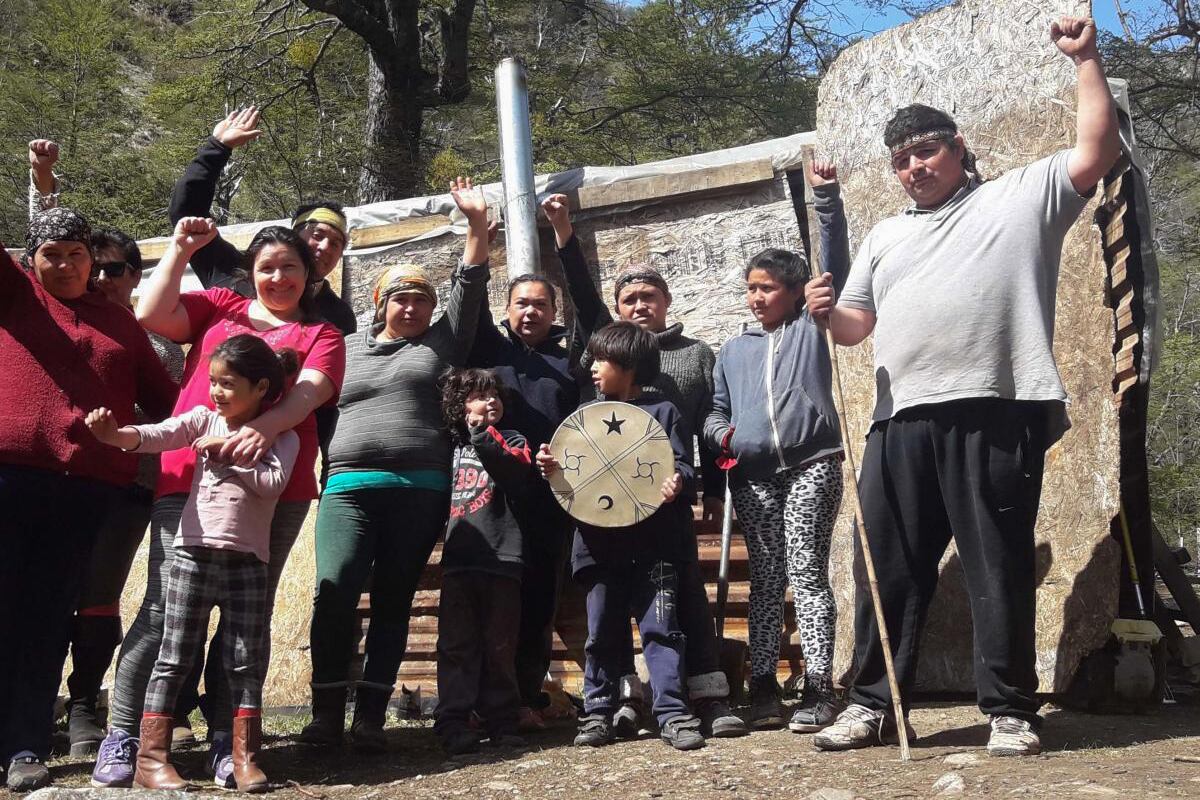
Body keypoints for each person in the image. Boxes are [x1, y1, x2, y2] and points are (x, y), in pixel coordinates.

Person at [804, 17, 1120, 756]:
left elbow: (1096, 149)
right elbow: (854, 327)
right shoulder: (884, 237)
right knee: (885, 569)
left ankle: (1009, 710)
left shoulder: (1022, 196)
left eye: (926, 151)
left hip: (994, 408)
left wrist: (1086, 59)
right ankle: (873, 704)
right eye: (901, 159)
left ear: (958, 147)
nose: (914, 166)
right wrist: (825, 312)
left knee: (997, 564)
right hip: (899, 420)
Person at [94, 219, 345, 788]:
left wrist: (260, 432)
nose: (278, 278)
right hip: (188, 477)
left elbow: (310, 393)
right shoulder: (220, 306)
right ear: (249, 273)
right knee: (163, 611)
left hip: (273, 490)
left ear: (308, 274)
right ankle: (126, 735)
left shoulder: (321, 333)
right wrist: (181, 249)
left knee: (246, 622)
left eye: (289, 267)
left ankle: (228, 745)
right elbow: (151, 313)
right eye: (266, 267)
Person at [299, 178, 491, 752]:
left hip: (419, 489)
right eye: (400, 299)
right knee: (334, 592)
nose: (411, 307)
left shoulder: (441, 345)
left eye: (421, 300)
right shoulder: (342, 346)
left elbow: (470, 284)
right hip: (347, 487)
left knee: (393, 600)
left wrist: (476, 226)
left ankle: (370, 717)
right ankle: (325, 712)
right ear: (380, 304)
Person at [0, 209, 177, 792]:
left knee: (50, 615)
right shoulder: (16, 297)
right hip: (10, 476)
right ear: (31, 261)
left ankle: (25, 744)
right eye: (51, 254)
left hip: (87, 490)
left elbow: (168, 399)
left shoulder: (119, 323)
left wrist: (236, 411)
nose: (66, 265)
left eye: (76, 254)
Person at [25, 139, 189, 757]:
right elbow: (43, 242)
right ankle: (32, 709)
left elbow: (180, 402)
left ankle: (84, 707)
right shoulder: (48, 315)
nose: (99, 277)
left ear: (133, 276)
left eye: (113, 269)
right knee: (41, 593)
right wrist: (42, 180)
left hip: (129, 484)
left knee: (99, 595)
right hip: (51, 475)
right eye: (97, 268)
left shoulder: (153, 336)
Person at [86, 335, 301, 792]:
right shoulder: (203, 418)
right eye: (213, 382)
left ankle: (244, 757)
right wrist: (117, 437)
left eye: (228, 384)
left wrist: (227, 451)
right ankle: (151, 758)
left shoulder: (283, 436)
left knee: (244, 660)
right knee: (174, 655)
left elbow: (272, 483)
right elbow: (160, 434)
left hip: (248, 562)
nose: (217, 392)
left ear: (261, 388)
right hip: (192, 554)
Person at [700, 161, 851, 733]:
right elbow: (715, 411)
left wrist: (825, 198)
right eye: (751, 289)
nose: (756, 298)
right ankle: (762, 684)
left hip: (813, 464)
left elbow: (832, 269)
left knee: (807, 571)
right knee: (766, 578)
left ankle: (819, 686)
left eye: (766, 289)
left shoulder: (811, 327)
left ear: (793, 293)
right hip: (753, 475)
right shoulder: (732, 350)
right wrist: (724, 436)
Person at [536, 321, 705, 752]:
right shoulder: (584, 418)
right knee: (601, 634)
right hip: (598, 546)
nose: (592, 367)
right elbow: (570, 473)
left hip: (656, 545)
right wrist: (550, 467)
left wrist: (678, 482)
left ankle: (672, 712)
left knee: (662, 630)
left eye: (601, 360)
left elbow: (684, 467)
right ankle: (598, 712)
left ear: (628, 365)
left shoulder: (664, 412)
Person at [469, 231, 606, 730]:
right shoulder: (488, 348)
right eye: (521, 304)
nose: (530, 312)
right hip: (492, 494)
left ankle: (524, 696)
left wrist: (567, 238)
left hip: (550, 495)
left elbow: (592, 313)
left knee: (539, 597)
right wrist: (476, 236)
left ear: (553, 312)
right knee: (490, 597)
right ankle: (479, 701)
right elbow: (468, 300)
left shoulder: (569, 360)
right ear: (506, 310)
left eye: (541, 305)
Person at [433, 368, 533, 755]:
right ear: (458, 407)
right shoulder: (450, 447)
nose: (491, 401)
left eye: (495, 395)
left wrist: (481, 434)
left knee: (500, 644)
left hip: (503, 557)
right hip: (460, 560)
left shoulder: (513, 439)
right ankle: (454, 721)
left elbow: (514, 472)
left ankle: (502, 720)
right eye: (479, 396)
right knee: (456, 643)